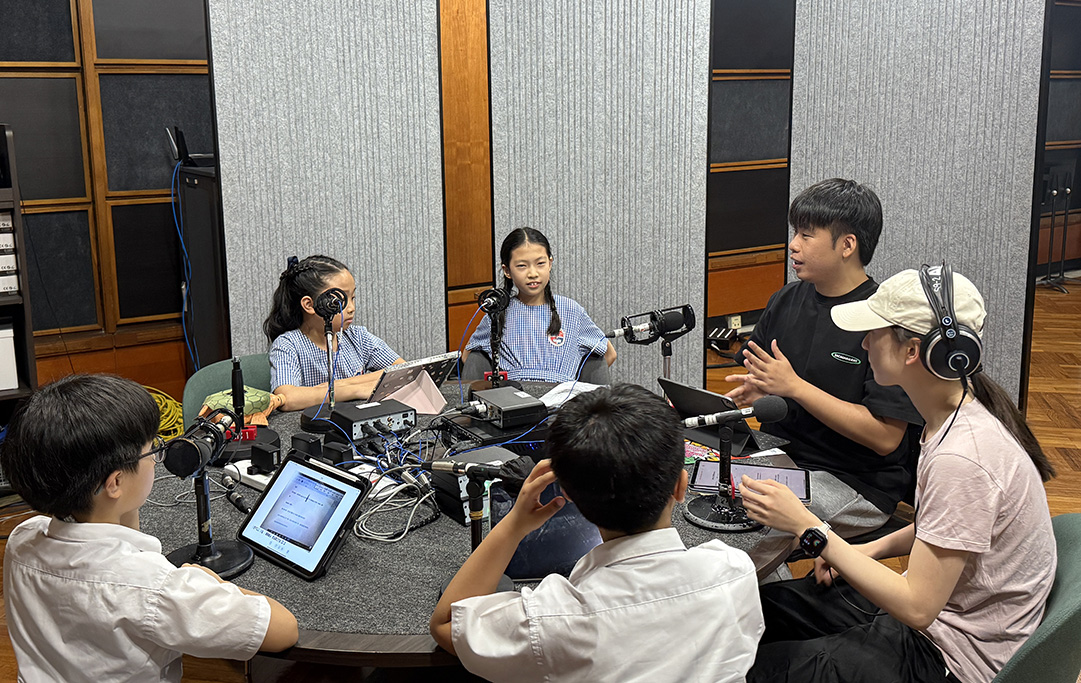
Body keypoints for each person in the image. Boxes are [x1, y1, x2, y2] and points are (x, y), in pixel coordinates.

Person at [738, 265, 1056, 683]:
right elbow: (943, 527)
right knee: (754, 613)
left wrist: (810, 529)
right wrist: (867, 551)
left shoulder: (963, 458)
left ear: (912, 352)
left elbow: (917, 608)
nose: (864, 343)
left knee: (749, 670)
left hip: (948, 657)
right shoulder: (956, 419)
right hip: (936, 623)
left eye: (874, 333)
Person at [430, 383, 763, 683]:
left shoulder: (553, 621)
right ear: (680, 486)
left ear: (568, 494)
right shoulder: (734, 571)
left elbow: (446, 624)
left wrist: (514, 524)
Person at [1, 374, 299, 683]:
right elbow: (283, 630)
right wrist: (209, 582)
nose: (158, 458)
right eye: (152, 449)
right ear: (115, 482)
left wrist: (125, 498)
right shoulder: (155, 588)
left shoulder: (23, 538)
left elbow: (123, 539)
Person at [724, 179, 922, 576]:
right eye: (794, 233)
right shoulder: (786, 299)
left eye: (806, 235)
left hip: (855, 479)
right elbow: (767, 380)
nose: (793, 245)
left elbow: (886, 438)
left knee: (751, 523)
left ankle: (741, 602)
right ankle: (761, 598)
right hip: (784, 458)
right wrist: (758, 391)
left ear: (847, 245)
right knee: (706, 494)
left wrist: (795, 387)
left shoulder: (884, 321)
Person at [463, 227, 615, 383]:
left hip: (561, 395)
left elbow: (609, 353)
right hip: (513, 393)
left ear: (550, 263)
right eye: (522, 266)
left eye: (540, 263)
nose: (533, 273)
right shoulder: (498, 312)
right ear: (507, 270)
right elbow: (470, 357)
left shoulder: (571, 310)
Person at [264, 254, 405, 411]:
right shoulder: (288, 345)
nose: (351, 308)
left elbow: (404, 371)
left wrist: (335, 386)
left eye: (353, 298)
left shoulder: (358, 337)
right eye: (341, 300)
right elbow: (286, 398)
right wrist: (355, 389)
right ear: (309, 304)